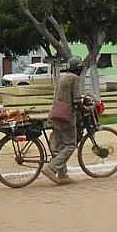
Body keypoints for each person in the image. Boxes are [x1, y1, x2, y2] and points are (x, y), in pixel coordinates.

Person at [43, 57, 83, 185]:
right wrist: (83, 107)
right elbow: (76, 99)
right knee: (70, 145)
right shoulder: (74, 79)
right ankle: (51, 168)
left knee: (60, 146)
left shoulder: (62, 77)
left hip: (55, 113)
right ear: (78, 68)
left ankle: (63, 175)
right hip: (66, 116)